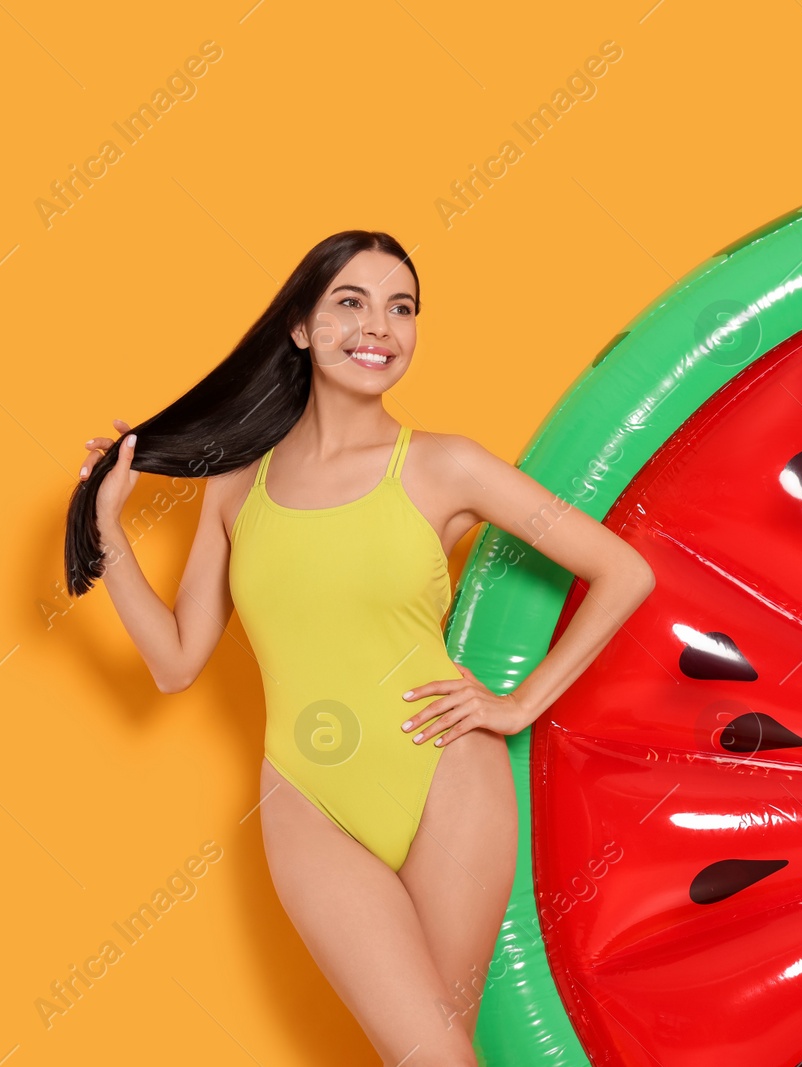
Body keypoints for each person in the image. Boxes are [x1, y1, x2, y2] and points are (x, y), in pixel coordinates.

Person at [64, 230, 655, 1065]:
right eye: (351, 302)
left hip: (447, 772)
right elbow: (175, 660)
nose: (379, 325)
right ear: (301, 327)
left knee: (441, 1055)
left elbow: (622, 570)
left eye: (401, 308)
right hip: (308, 798)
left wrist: (519, 703)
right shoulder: (237, 484)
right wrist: (107, 530)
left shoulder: (447, 467)